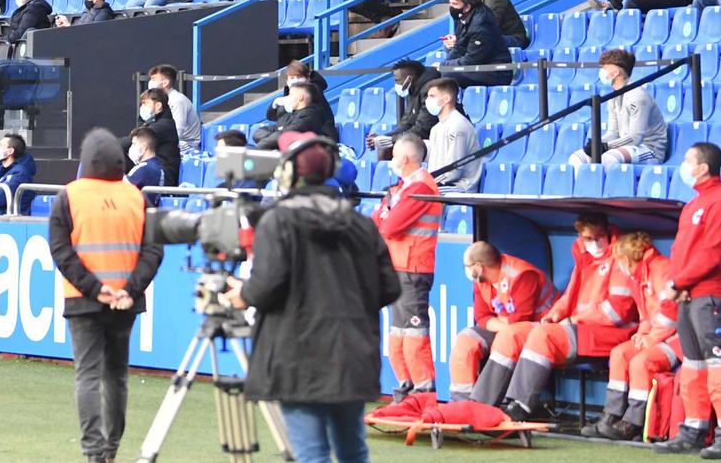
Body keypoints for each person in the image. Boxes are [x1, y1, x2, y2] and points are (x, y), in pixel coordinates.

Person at [222, 132, 397, 462]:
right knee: (353, 450)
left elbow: (266, 285)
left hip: (295, 354)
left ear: (287, 174)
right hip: (351, 352)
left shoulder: (277, 221)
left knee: (311, 453)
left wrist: (243, 295)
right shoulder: (362, 224)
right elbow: (390, 287)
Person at [49, 129, 164, 463]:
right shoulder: (136, 197)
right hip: (125, 303)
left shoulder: (68, 196)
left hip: (83, 300)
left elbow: (61, 251)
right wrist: (129, 290)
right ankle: (111, 450)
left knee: (87, 376)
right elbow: (153, 251)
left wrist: (96, 289)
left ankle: (94, 454)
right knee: (116, 376)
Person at [475, 212, 638, 421]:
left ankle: (519, 408)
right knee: (511, 334)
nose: (594, 243)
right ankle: (481, 404)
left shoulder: (619, 257)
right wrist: (555, 314)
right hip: (580, 328)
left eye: (598, 237)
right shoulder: (583, 256)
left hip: (611, 332)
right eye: (588, 238)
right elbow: (571, 294)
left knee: (544, 336)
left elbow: (618, 311)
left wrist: (575, 319)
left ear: (607, 232)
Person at [654, 142, 721, 456]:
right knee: (693, 366)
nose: (683, 166)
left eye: (687, 161)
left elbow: (712, 254)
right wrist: (679, 284)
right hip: (689, 296)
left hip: (710, 297)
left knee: (719, 364)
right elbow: (686, 253)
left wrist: (678, 281)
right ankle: (693, 428)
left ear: (703, 167)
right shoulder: (696, 204)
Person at [588, 230, 680, 440]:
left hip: (676, 340)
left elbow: (671, 314)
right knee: (620, 353)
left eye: (621, 261)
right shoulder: (639, 277)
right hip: (655, 336)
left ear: (629, 259)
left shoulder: (662, 269)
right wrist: (641, 334)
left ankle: (634, 422)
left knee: (641, 362)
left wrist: (650, 339)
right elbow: (646, 315)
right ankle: (612, 415)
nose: (619, 266)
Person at [374, 133, 442, 400]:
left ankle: (423, 393)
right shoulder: (402, 188)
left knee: (413, 332)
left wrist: (387, 214)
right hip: (399, 266)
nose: (390, 159)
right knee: (399, 332)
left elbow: (389, 226)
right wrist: (387, 214)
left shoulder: (421, 187)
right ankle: (406, 387)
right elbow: (378, 221)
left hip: (414, 268)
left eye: (393, 155)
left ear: (404, 158)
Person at [450, 239, 556, 397]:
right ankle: (461, 402)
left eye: (467, 266)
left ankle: (483, 404)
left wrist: (501, 324)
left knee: (507, 338)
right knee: (466, 339)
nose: (466, 270)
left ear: (479, 266)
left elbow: (520, 320)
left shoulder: (523, 275)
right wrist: (503, 325)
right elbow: (482, 317)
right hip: (507, 330)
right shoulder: (480, 279)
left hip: (540, 330)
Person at [571, 49, 671, 166]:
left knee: (608, 158)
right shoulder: (613, 96)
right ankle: (589, 184)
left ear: (616, 72)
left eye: (604, 68)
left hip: (649, 149)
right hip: (626, 146)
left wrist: (606, 146)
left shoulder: (638, 96)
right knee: (577, 158)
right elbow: (614, 132)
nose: (601, 72)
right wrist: (597, 143)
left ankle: (608, 184)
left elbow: (636, 137)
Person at [424, 78, 481, 188]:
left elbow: (455, 171)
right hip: (441, 185)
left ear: (447, 99)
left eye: (432, 96)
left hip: (460, 187)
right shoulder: (435, 129)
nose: (427, 100)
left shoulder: (458, 126)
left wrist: (430, 184)